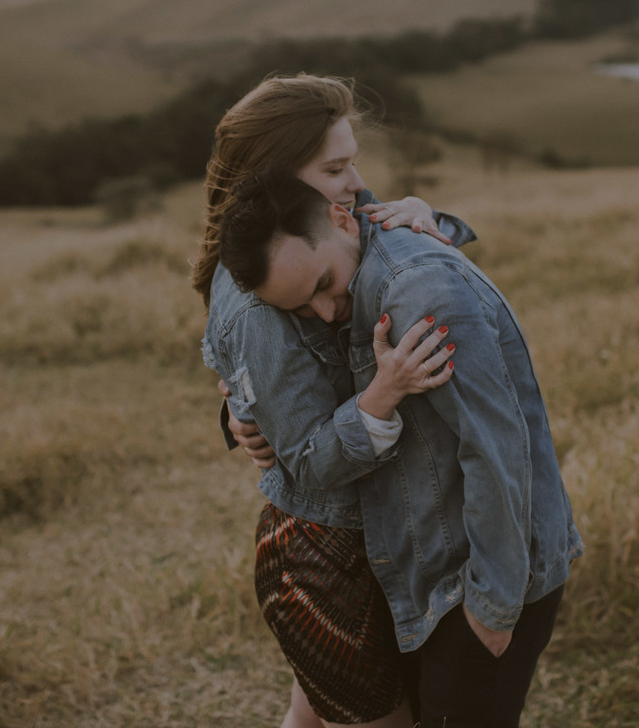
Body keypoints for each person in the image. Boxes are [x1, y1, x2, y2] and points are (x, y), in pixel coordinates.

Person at [218, 174, 584, 728]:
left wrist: (491, 608)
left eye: (323, 283)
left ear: (343, 218)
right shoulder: (358, 261)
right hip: (434, 575)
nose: (323, 311)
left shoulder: (414, 292)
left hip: (479, 579)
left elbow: (497, 450)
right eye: (301, 308)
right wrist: (236, 411)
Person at [193, 74, 474, 727]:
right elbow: (294, 433)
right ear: (281, 175)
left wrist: (426, 216)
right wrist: (241, 412)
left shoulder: (321, 214)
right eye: (337, 166)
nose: (355, 181)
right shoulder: (261, 293)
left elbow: (393, 245)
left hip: (368, 537)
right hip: (321, 557)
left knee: (311, 718)